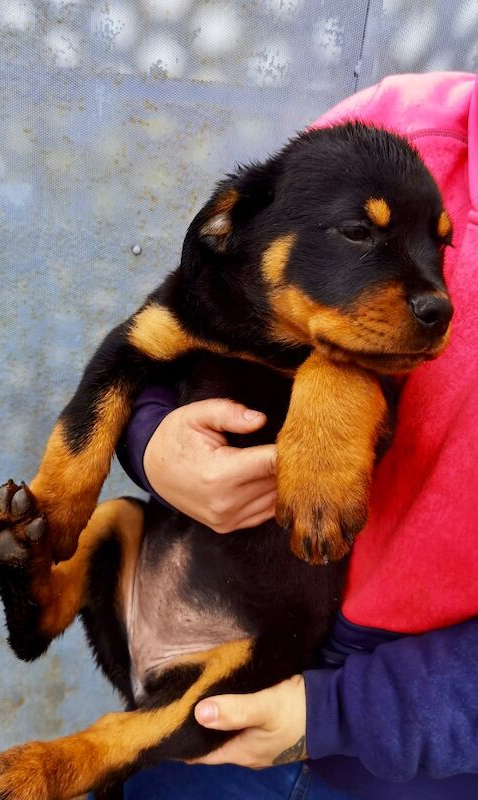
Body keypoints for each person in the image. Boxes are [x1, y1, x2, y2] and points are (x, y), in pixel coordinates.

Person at [116, 71, 478, 800]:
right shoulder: (401, 125)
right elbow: (201, 311)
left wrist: (340, 712)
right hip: (213, 617)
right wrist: (155, 447)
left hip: (409, 740)